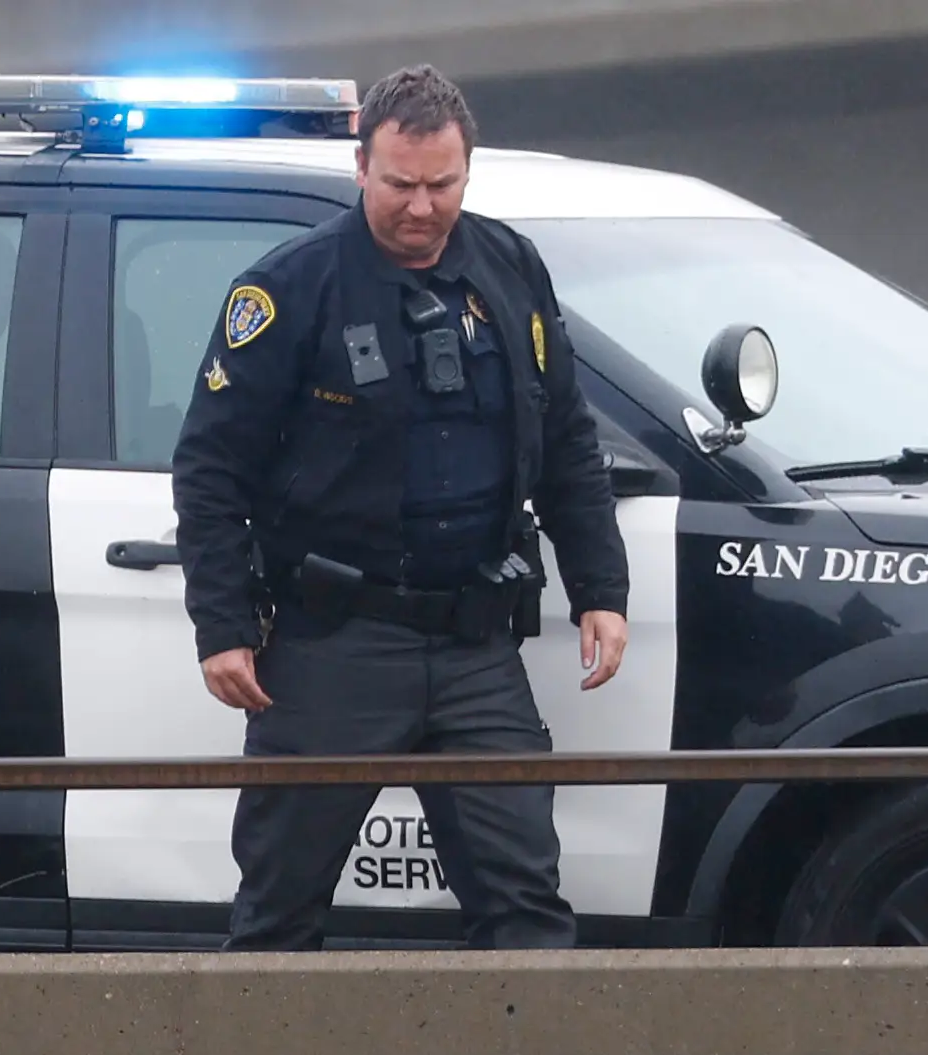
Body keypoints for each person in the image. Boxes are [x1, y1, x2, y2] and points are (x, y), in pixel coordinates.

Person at [167, 61, 632, 952]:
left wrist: (598, 587)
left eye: (441, 185)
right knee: (279, 914)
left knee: (527, 910)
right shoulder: (289, 289)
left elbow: (564, 436)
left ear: (466, 171)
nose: (420, 208)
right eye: (399, 185)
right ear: (359, 170)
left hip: (474, 644)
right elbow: (210, 467)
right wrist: (221, 622)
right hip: (332, 643)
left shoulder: (509, 266)